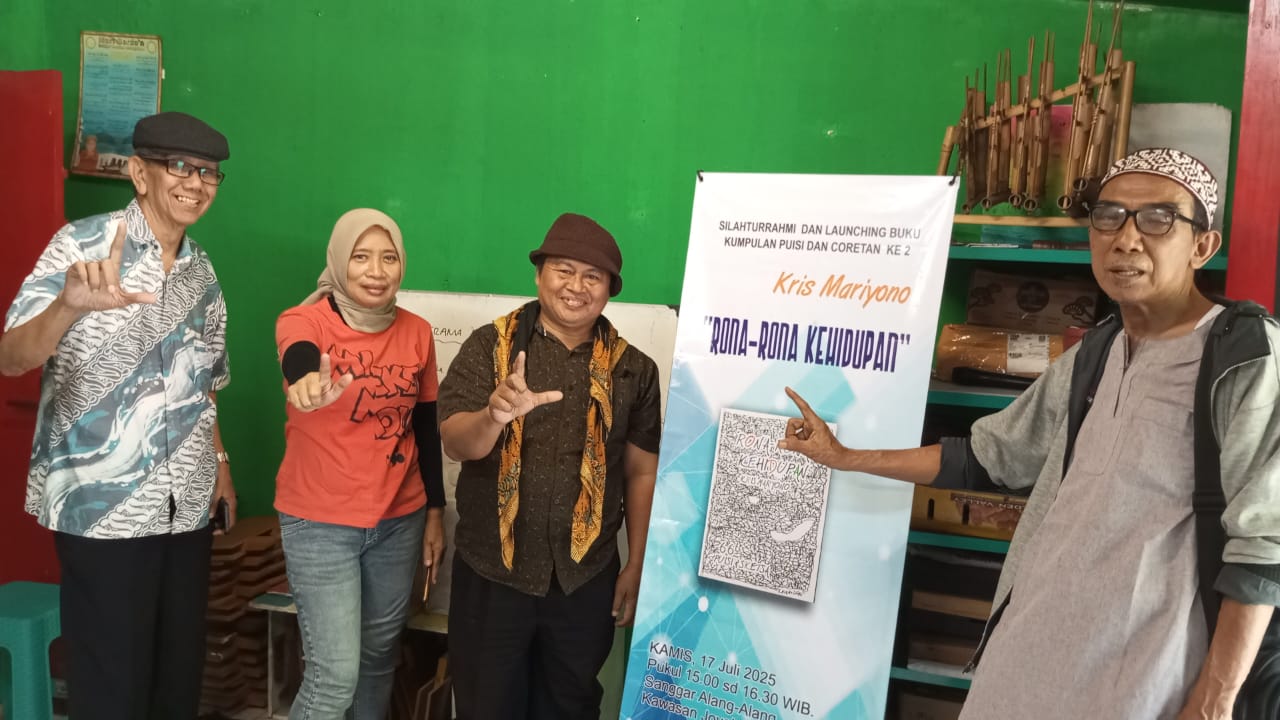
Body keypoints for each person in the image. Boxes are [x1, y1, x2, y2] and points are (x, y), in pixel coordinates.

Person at [779, 148, 1280, 719]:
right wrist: (844, 456)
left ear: (1202, 246)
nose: (1126, 239)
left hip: (1143, 675)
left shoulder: (1244, 357)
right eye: (1109, 216)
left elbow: (1263, 548)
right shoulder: (1095, 352)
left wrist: (1214, 702)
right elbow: (985, 458)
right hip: (1028, 649)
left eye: (1158, 219)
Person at [0, 111, 234, 719]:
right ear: (138, 172)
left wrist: (220, 464)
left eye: (208, 172)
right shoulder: (80, 247)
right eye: (179, 166)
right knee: (112, 689)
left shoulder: (202, 273)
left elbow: (206, 385)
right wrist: (68, 308)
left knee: (176, 683)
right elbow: (11, 357)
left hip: (186, 507)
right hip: (102, 508)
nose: (195, 182)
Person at [438, 212, 661, 720]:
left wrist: (637, 562)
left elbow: (641, 472)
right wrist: (492, 416)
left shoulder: (634, 370)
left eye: (592, 276)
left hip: (585, 579)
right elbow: (455, 443)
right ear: (539, 275)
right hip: (493, 574)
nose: (576, 287)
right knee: (485, 707)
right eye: (564, 270)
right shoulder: (490, 347)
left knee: (569, 706)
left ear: (609, 290)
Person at [273, 208, 445, 720]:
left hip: (399, 520)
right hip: (320, 523)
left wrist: (435, 512)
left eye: (388, 258)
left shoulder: (418, 332)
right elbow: (299, 355)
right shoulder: (304, 320)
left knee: (377, 660)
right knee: (333, 679)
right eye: (361, 257)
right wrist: (306, 382)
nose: (376, 271)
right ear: (339, 261)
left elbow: (426, 426)